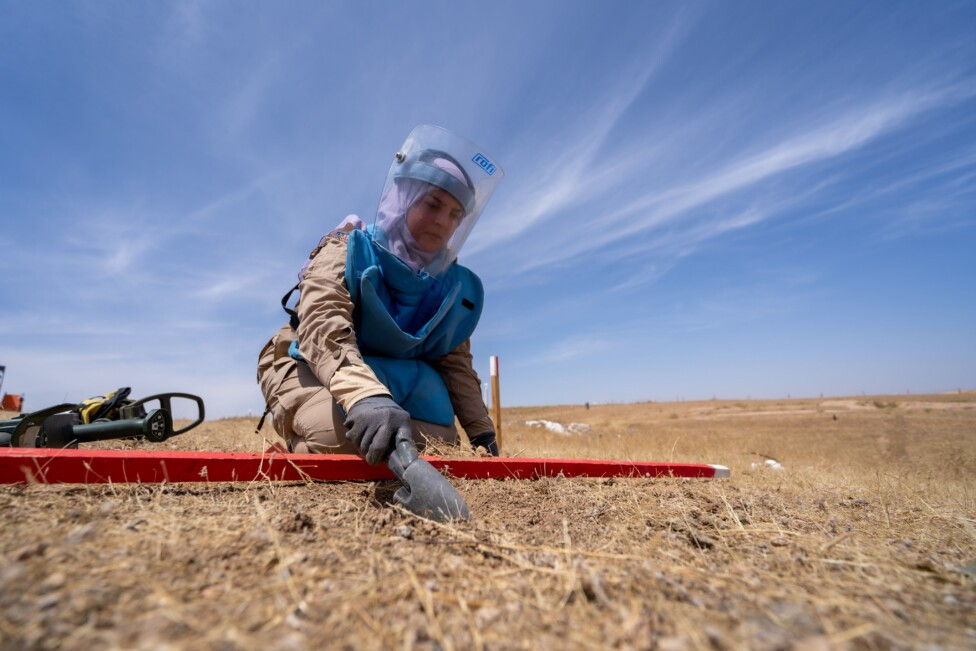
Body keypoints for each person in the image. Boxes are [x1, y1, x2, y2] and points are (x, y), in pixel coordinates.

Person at [257, 125, 503, 465]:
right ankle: (297, 445)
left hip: (392, 373)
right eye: (433, 204)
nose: (443, 222)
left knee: (442, 446)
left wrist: (481, 434)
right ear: (403, 196)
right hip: (312, 360)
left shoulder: (447, 286)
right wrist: (366, 398)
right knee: (340, 439)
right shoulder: (347, 248)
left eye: (455, 215)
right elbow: (322, 328)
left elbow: (454, 363)